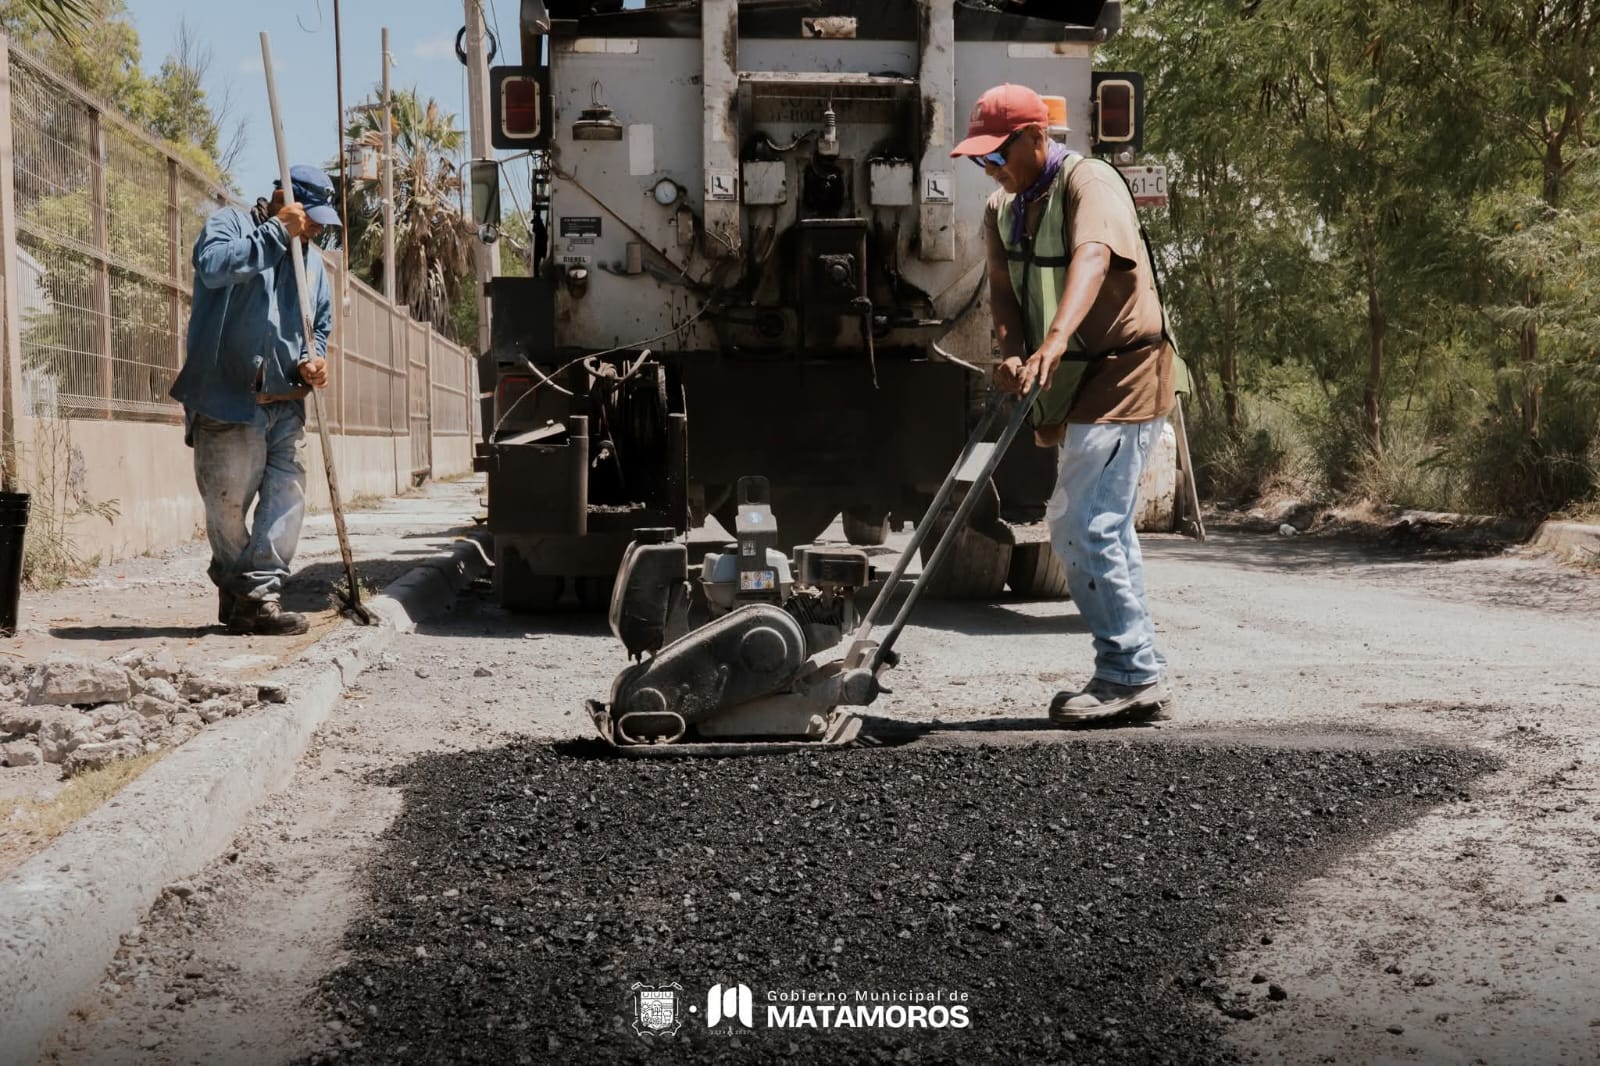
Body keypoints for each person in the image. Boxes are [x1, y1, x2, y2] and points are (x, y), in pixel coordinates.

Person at [951, 84, 1176, 724]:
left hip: (1123, 371)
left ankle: (1128, 672)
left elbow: (1093, 258)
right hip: (1073, 380)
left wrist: (1053, 340)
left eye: (997, 155)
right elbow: (1001, 288)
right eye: (980, 160)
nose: (989, 169)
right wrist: (1015, 349)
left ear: (1035, 138)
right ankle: (1137, 669)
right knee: (1098, 522)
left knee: (1082, 524)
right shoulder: (1003, 208)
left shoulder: (1091, 182)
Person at [169, 164, 339, 636]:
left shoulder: (313, 264)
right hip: (228, 397)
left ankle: (257, 594)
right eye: (311, 217)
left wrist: (315, 358)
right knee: (225, 506)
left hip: (286, 401)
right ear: (285, 197)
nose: (317, 228)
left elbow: (318, 324)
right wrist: (274, 234)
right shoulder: (230, 225)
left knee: (286, 500)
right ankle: (239, 588)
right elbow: (214, 268)